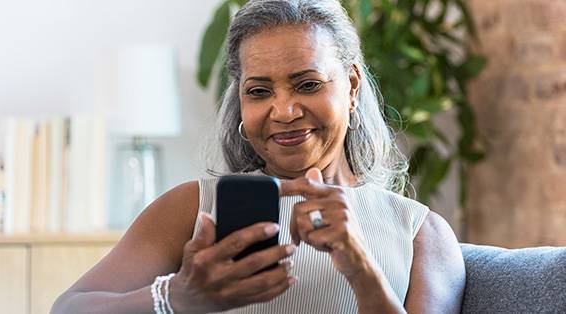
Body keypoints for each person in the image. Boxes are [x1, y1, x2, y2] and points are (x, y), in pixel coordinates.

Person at [52, 0, 465, 313]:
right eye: (259, 92)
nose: (283, 112)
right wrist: (177, 295)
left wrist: (359, 265)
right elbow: (68, 308)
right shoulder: (193, 208)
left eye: (307, 84)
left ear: (352, 85)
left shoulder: (420, 231)